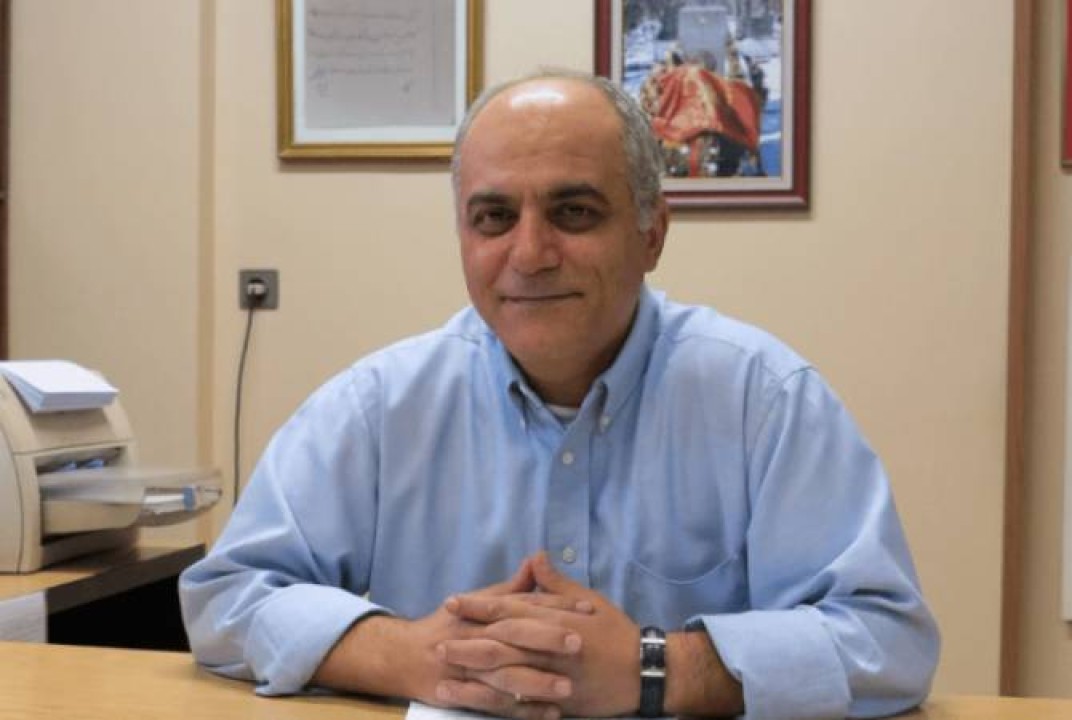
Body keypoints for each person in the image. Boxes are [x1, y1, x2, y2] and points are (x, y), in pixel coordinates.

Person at [179, 69, 939, 720]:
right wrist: (412, 655)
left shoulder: (763, 401)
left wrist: (656, 669)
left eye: (574, 212)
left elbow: (889, 643)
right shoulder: (379, 406)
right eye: (494, 217)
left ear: (652, 233)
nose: (531, 254)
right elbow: (228, 597)